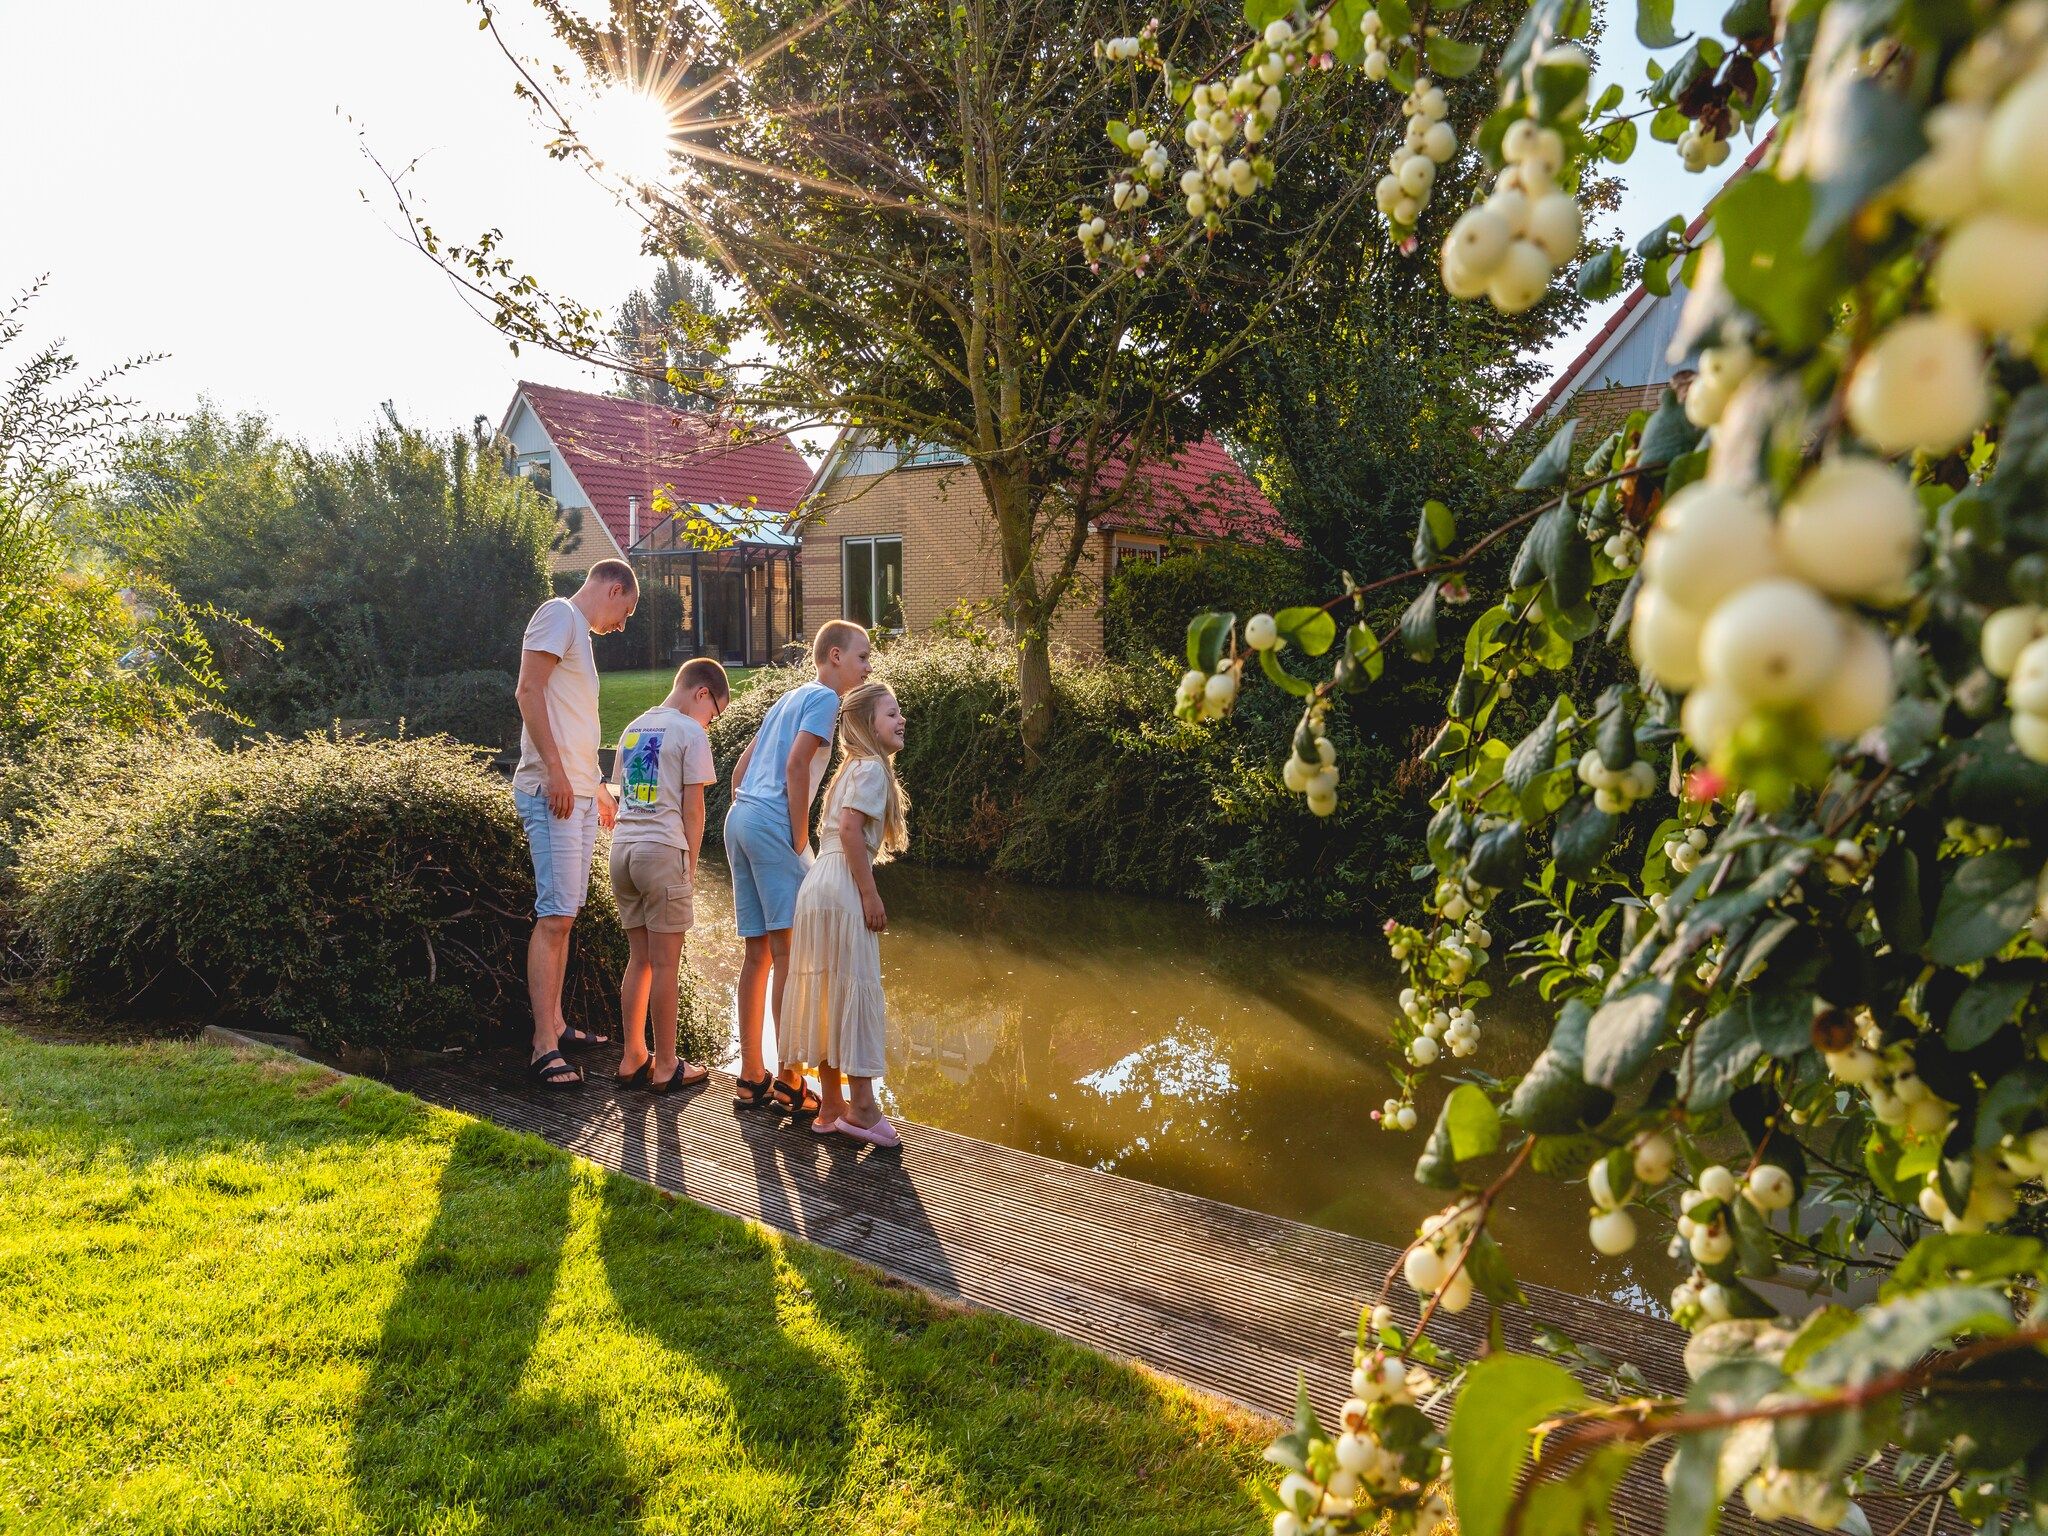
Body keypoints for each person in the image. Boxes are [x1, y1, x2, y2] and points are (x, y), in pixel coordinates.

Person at [723, 618, 872, 1117]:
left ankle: (750, 1076)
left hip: (739, 817)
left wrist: (750, 814)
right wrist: (800, 834)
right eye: (862, 656)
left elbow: (741, 771)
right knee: (787, 953)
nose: (868, 666)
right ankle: (790, 1079)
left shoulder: (788, 698)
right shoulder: (826, 700)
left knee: (756, 954)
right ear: (835, 657)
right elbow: (795, 766)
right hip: (771, 823)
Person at [512, 559, 638, 1089]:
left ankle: (558, 1024)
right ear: (613, 589)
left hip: (579, 792)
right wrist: (561, 776)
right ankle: (543, 1046)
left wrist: (597, 789)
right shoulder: (557, 615)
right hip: (550, 790)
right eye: (626, 612)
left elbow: (574, 719)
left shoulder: (578, 636)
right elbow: (528, 692)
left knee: (568, 912)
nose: (622, 625)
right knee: (555, 916)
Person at [779, 681, 910, 1150]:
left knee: (828, 991)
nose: (901, 720)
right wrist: (870, 895)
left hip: (817, 886)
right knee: (853, 984)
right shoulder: (873, 768)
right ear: (865, 724)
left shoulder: (849, 769)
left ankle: (832, 1106)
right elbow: (852, 831)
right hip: (841, 887)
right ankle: (864, 1109)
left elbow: (840, 830)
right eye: (891, 714)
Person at [608, 656, 729, 1093]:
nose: (710, 724)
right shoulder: (690, 732)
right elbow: (693, 809)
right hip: (662, 853)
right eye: (714, 713)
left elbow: (625, 795)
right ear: (702, 694)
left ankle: (632, 1056)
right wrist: (691, 868)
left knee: (639, 960)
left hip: (622, 853)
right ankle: (666, 1065)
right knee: (665, 966)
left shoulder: (634, 728)